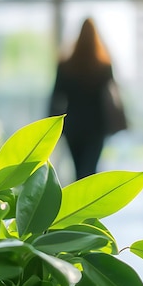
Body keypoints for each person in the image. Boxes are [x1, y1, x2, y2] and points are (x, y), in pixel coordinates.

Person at [48, 18, 125, 180]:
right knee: (91, 170)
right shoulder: (103, 66)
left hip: (73, 125)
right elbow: (113, 94)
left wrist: (50, 126)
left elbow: (56, 96)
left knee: (78, 171)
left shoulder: (65, 65)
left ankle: (78, 202)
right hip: (96, 126)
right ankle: (89, 203)